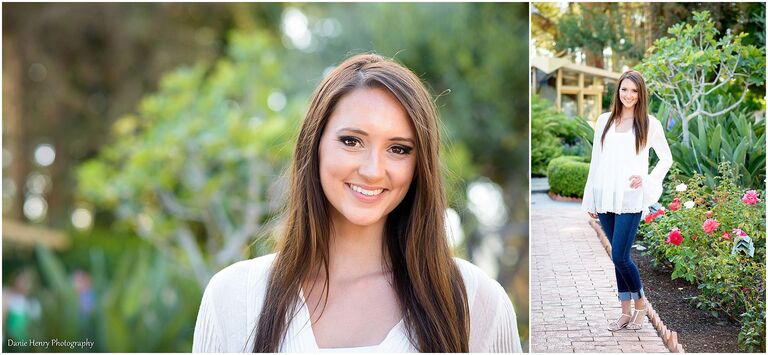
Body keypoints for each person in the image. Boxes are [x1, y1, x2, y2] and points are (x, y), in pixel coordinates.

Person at [192, 53, 521, 352]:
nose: (373, 170)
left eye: (399, 149)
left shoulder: (475, 301)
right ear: (315, 143)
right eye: (351, 141)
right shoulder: (234, 297)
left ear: (419, 164)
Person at [582, 70, 672, 332]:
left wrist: (646, 178)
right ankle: (625, 311)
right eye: (624, 90)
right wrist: (591, 199)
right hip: (605, 195)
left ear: (640, 94)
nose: (629, 95)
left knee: (621, 256)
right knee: (616, 257)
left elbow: (666, 158)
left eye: (634, 91)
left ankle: (641, 304)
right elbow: (596, 161)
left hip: (630, 198)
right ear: (618, 91)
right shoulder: (604, 121)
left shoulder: (649, 123)